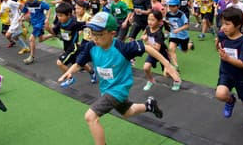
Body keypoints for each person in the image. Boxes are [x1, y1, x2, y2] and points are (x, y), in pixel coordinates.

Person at [58, 12, 180, 145]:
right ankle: (149, 105)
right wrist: (70, 71)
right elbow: (79, 63)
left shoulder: (122, 48)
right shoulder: (91, 46)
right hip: (106, 88)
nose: (95, 38)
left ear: (112, 33)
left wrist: (168, 65)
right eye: (92, 33)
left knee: (90, 116)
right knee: (128, 112)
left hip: (119, 89)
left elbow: (147, 48)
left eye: (99, 34)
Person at [215, 7, 243, 129]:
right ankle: (230, 100)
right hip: (226, 72)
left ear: (238, 25)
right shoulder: (222, 35)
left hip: (242, 76)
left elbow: (242, 64)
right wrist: (217, 45)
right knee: (220, 94)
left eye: (227, 24)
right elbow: (218, 47)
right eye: (222, 23)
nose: (223, 27)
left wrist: (227, 58)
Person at [46, 2, 96, 87]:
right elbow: (54, 32)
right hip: (67, 47)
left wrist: (93, 24)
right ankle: (92, 72)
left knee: (60, 62)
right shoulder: (60, 22)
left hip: (73, 47)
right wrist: (48, 29)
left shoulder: (74, 23)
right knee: (81, 63)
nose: (59, 17)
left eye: (61, 15)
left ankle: (70, 78)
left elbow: (85, 24)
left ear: (68, 15)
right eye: (58, 15)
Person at [142, 10, 182, 91]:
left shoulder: (159, 33)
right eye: (149, 19)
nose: (150, 22)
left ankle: (177, 80)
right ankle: (150, 80)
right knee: (146, 67)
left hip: (162, 53)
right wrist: (143, 36)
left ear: (159, 21)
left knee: (166, 73)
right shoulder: (148, 27)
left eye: (153, 20)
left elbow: (157, 48)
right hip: (152, 52)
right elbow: (144, 34)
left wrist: (146, 41)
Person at [20, 0, 52, 64]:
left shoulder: (39, 3)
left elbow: (49, 8)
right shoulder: (27, 3)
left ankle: (31, 57)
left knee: (31, 39)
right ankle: (54, 34)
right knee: (41, 39)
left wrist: (47, 19)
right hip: (34, 23)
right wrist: (21, 17)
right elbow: (24, 11)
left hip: (40, 23)